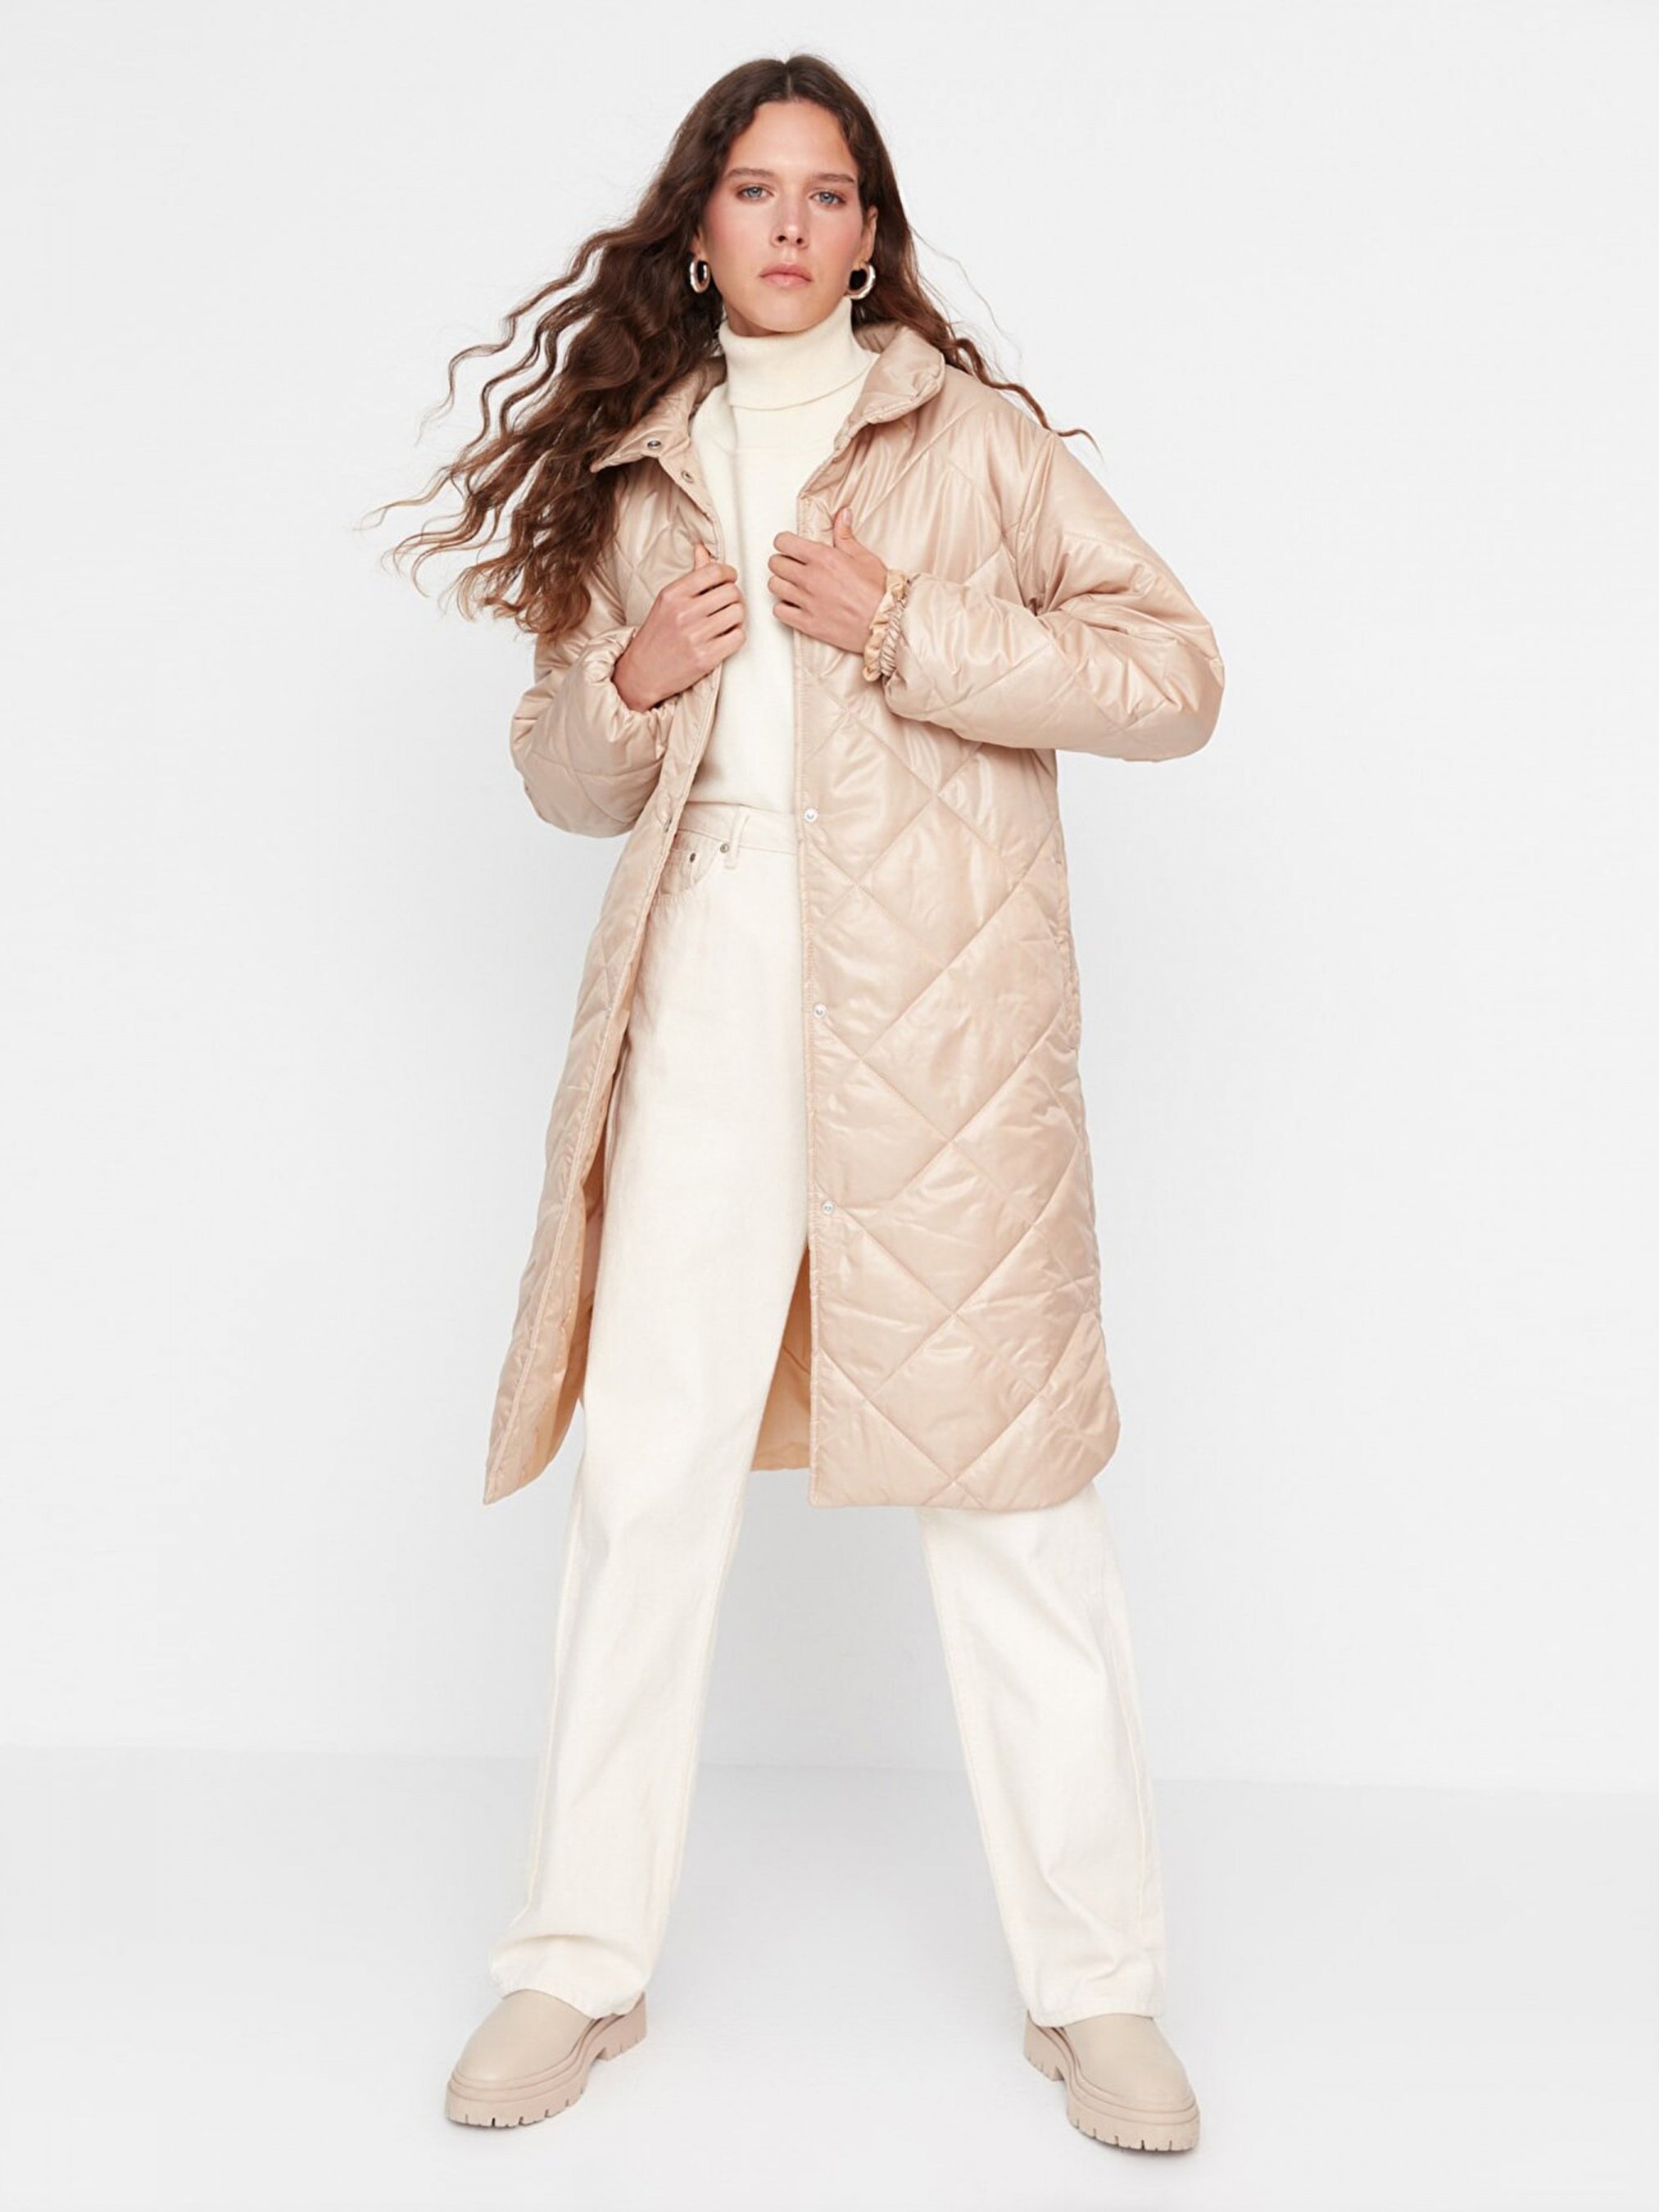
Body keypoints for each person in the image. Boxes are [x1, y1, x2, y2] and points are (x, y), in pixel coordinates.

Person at [383, 52, 1224, 2155]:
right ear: (698, 229)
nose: (785, 222)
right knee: (645, 1477)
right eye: (750, 188)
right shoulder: (645, 466)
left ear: (868, 233)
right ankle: (574, 1960)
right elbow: (560, 777)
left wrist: (907, 624)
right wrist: (627, 686)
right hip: (708, 975)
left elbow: (1172, 676)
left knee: (1012, 1496)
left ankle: (1095, 1990)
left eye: (824, 191)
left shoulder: (971, 439)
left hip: (935, 1020)